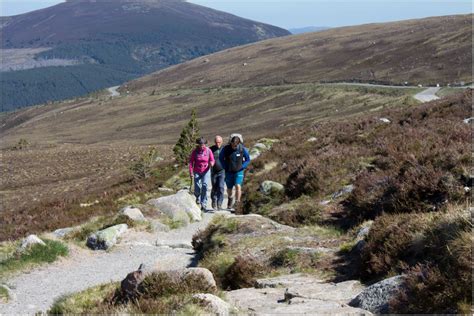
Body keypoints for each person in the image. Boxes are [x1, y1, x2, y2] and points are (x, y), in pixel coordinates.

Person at [219, 134, 250, 210]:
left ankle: (237, 202)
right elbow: (221, 158)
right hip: (229, 171)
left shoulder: (242, 149)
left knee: (238, 185)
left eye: (235, 146)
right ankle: (230, 198)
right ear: (231, 143)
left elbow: (248, 159)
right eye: (233, 145)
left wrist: (243, 166)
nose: (234, 147)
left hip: (239, 171)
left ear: (238, 144)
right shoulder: (226, 149)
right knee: (229, 189)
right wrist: (224, 166)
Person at [189, 137, 215, 211]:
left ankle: (204, 203)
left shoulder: (208, 151)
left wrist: (212, 163)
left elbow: (212, 159)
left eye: (203, 144)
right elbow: (191, 162)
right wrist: (191, 172)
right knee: (197, 187)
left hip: (206, 171)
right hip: (197, 170)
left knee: (204, 186)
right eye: (200, 145)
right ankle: (197, 197)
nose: (202, 146)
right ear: (198, 145)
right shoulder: (195, 152)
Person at [210, 135, 225, 210]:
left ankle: (219, 203)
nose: (217, 144)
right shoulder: (211, 149)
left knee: (221, 187)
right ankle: (214, 201)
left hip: (222, 171)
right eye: (216, 142)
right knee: (214, 187)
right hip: (213, 171)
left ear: (222, 142)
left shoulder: (225, 149)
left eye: (219, 142)